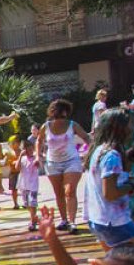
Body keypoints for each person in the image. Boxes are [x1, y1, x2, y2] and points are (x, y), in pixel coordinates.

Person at [83, 109, 134, 249]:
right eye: (129, 125)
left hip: (98, 218)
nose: (132, 129)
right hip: (114, 222)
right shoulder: (112, 156)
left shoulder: (98, 150)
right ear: (120, 129)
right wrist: (132, 185)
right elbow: (110, 193)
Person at [38, 98, 93, 234]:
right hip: (52, 163)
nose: (58, 112)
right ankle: (64, 220)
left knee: (70, 191)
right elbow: (39, 140)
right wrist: (38, 155)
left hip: (71, 161)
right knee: (59, 193)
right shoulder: (46, 126)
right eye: (55, 109)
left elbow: (87, 138)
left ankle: (72, 222)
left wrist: (88, 153)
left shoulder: (72, 125)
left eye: (61, 110)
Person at [15, 136, 41, 232]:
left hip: (33, 185)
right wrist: (20, 156)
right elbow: (17, 168)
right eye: (27, 149)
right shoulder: (22, 159)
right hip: (23, 185)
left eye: (31, 149)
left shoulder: (35, 158)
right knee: (27, 204)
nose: (30, 151)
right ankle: (34, 217)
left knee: (32, 203)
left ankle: (32, 221)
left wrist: (37, 159)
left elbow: (38, 165)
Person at [5, 135, 22, 210]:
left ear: (18, 143)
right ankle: (15, 203)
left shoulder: (21, 152)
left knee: (25, 188)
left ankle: (26, 202)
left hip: (22, 173)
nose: (11, 145)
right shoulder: (10, 153)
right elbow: (6, 163)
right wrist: (10, 162)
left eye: (13, 143)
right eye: (10, 143)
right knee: (14, 189)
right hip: (13, 173)